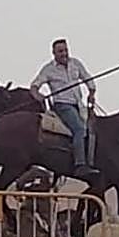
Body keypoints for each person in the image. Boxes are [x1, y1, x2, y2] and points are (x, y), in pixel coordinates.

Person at [31, 38, 97, 176]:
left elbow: (88, 78)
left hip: (79, 105)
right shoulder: (48, 69)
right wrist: (38, 95)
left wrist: (91, 92)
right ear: (54, 53)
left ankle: (92, 161)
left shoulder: (76, 63)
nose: (64, 53)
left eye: (66, 50)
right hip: (63, 106)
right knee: (79, 129)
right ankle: (80, 165)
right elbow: (35, 85)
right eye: (60, 51)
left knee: (94, 128)